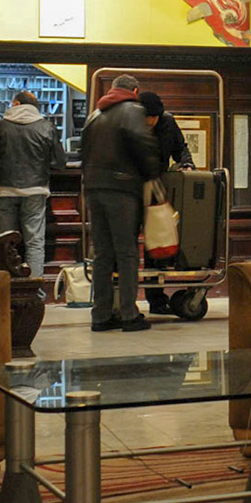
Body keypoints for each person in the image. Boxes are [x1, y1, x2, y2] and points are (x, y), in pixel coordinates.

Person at [77, 74, 160, 332]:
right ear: (134, 90)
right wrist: (152, 172)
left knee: (102, 254)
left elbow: (83, 151)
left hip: (93, 188)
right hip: (121, 189)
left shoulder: (95, 115)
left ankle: (100, 315)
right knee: (126, 253)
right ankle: (128, 314)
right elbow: (142, 144)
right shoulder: (133, 109)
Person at [0, 90, 65, 278]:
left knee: (4, 245)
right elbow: (60, 162)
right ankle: (35, 292)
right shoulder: (47, 127)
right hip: (35, 190)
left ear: (16, 104)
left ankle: (6, 291)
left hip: (4, 190)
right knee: (34, 243)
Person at [138, 91, 195, 171]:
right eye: (147, 117)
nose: (151, 121)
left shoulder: (167, 122)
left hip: (159, 173)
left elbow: (180, 148)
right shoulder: (130, 124)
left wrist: (186, 164)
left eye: (154, 117)